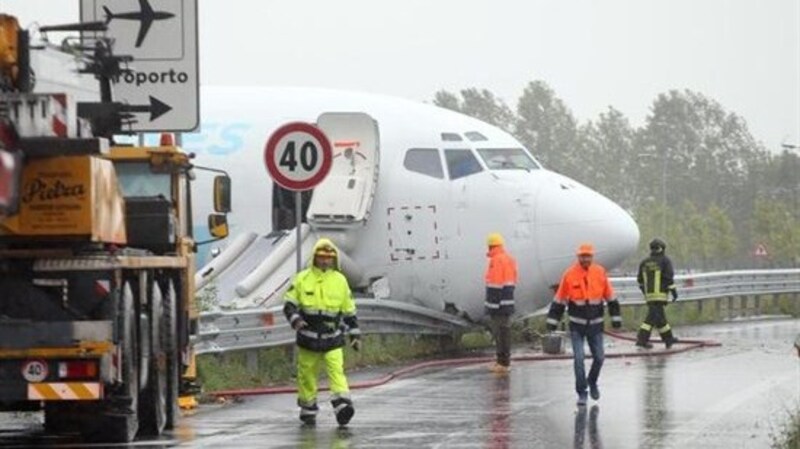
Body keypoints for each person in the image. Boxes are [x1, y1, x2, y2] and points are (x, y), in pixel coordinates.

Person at [283, 238, 361, 426]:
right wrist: (296, 321)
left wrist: (355, 335)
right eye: (321, 257)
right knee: (307, 374)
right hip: (308, 338)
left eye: (328, 257)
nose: (325, 261)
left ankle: (342, 405)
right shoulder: (302, 279)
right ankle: (308, 407)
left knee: (336, 372)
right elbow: (289, 305)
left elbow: (349, 311)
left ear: (334, 259)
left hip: (332, 337)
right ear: (315, 257)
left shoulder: (340, 280)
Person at [546, 243, 621, 406]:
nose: (585, 259)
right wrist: (552, 322)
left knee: (600, 358)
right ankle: (582, 392)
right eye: (582, 256)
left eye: (588, 256)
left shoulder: (600, 272)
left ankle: (592, 381)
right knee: (578, 359)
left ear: (592, 257)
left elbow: (610, 297)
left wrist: (616, 318)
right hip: (577, 326)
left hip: (595, 325)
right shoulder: (569, 275)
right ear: (578, 257)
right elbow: (559, 300)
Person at [635, 238, 679, 349]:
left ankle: (668, 339)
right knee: (651, 319)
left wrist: (646, 292)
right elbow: (669, 278)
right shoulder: (665, 261)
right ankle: (641, 340)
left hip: (649, 296)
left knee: (660, 318)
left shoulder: (644, 262)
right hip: (660, 295)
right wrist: (674, 291)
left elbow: (640, 280)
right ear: (662, 249)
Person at [485, 232, 518, 374]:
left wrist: (491, 306)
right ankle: (504, 361)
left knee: (500, 333)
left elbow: (495, 284)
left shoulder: (496, 260)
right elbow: (513, 280)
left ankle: (502, 363)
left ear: (490, 246)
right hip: (508, 301)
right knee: (505, 331)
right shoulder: (509, 259)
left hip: (498, 304)